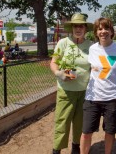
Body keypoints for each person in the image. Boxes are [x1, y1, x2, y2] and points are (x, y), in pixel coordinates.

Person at [80, 17, 116, 154]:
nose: (103, 32)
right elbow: (84, 68)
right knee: (86, 132)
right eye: (100, 29)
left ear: (111, 31)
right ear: (96, 32)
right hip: (92, 97)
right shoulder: (92, 49)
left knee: (110, 131)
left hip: (112, 97)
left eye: (106, 28)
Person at [50, 13, 93, 154]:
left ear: (85, 28)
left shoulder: (91, 46)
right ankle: (56, 150)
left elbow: (94, 66)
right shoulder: (63, 43)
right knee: (62, 122)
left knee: (80, 123)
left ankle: (76, 148)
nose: (78, 29)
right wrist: (59, 73)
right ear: (71, 28)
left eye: (81, 26)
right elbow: (54, 62)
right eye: (75, 26)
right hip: (66, 90)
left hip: (84, 92)